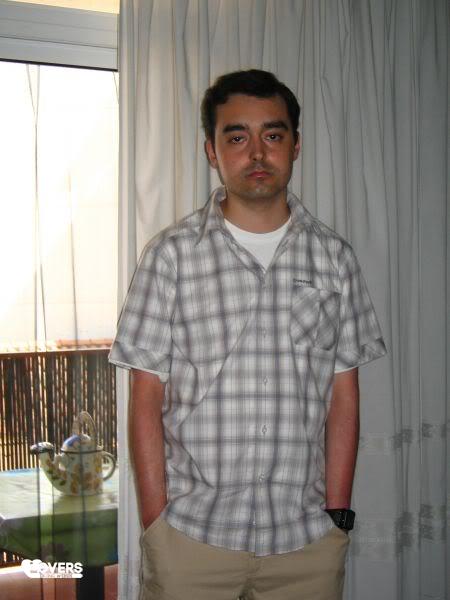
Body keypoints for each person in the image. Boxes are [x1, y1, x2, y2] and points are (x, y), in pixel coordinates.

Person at [109, 69, 386, 600]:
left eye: (273, 135)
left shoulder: (335, 259)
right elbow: (146, 399)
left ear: (296, 145)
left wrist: (337, 515)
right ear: (212, 151)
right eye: (237, 137)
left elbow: (344, 396)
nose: (257, 152)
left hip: (305, 544)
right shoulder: (169, 257)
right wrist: (156, 526)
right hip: (191, 540)